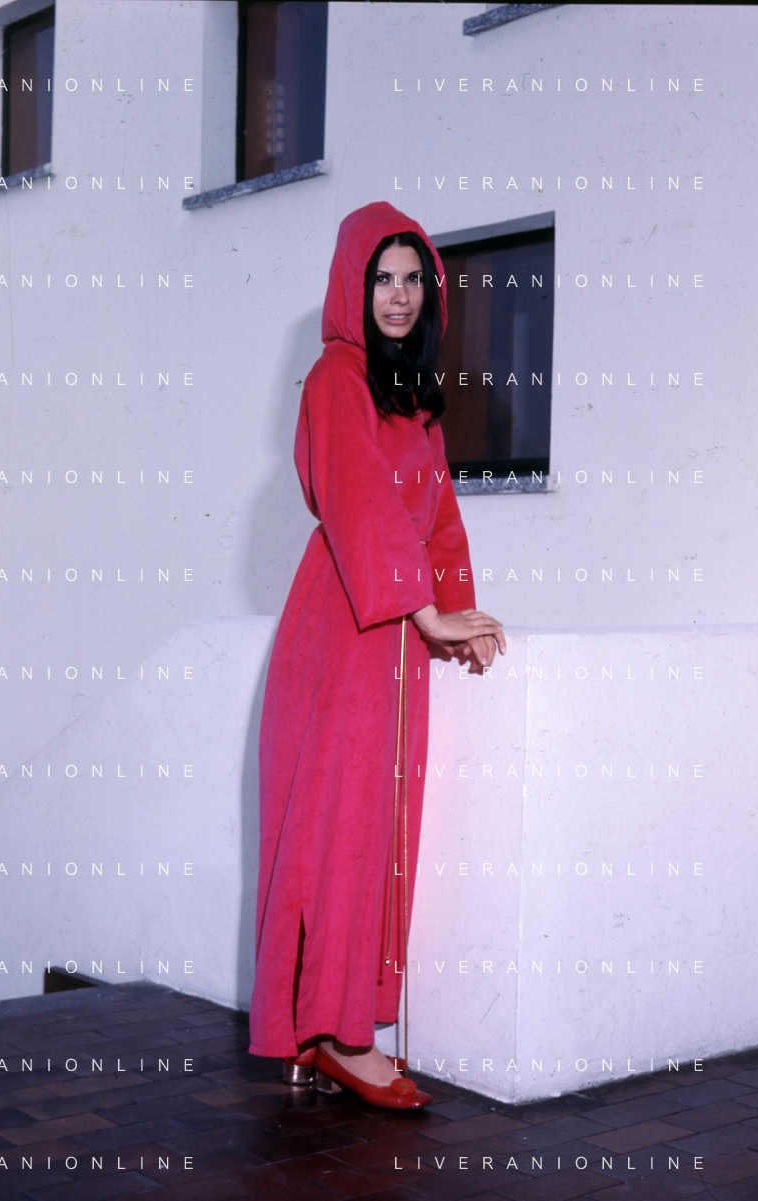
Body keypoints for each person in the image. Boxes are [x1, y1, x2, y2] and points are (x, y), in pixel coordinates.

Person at [248, 201, 506, 1110]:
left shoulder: (412, 398)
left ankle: (331, 1026)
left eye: (411, 279)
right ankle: (336, 1036)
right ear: (350, 290)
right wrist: (427, 612)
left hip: (392, 640)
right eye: (380, 279)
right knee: (336, 827)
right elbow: (357, 498)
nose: (397, 296)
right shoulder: (335, 376)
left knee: (374, 831)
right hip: (343, 629)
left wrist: (454, 612)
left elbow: (437, 516)